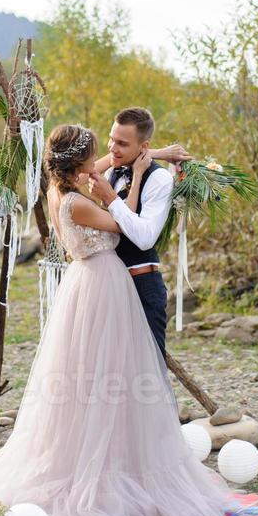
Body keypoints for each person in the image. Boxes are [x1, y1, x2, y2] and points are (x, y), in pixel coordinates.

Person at [0, 123, 236, 516]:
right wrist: (139, 179)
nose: (103, 159)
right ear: (79, 163)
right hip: (102, 286)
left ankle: (116, 453)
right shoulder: (77, 202)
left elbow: (106, 163)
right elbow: (123, 222)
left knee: (96, 377)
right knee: (111, 375)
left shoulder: (60, 189)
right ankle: (106, 466)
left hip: (86, 285)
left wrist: (156, 152)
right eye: (95, 155)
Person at [87, 105, 190, 362]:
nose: (112, 147)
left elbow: (145, 237)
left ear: (142, 146)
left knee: (147, 372)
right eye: (111, 139)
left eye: (122, 143)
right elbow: (76, 174)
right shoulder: (111, 171)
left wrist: (111, 199)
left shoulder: (158, 180)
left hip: (141, 286)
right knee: (109, 370)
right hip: (108, 287)